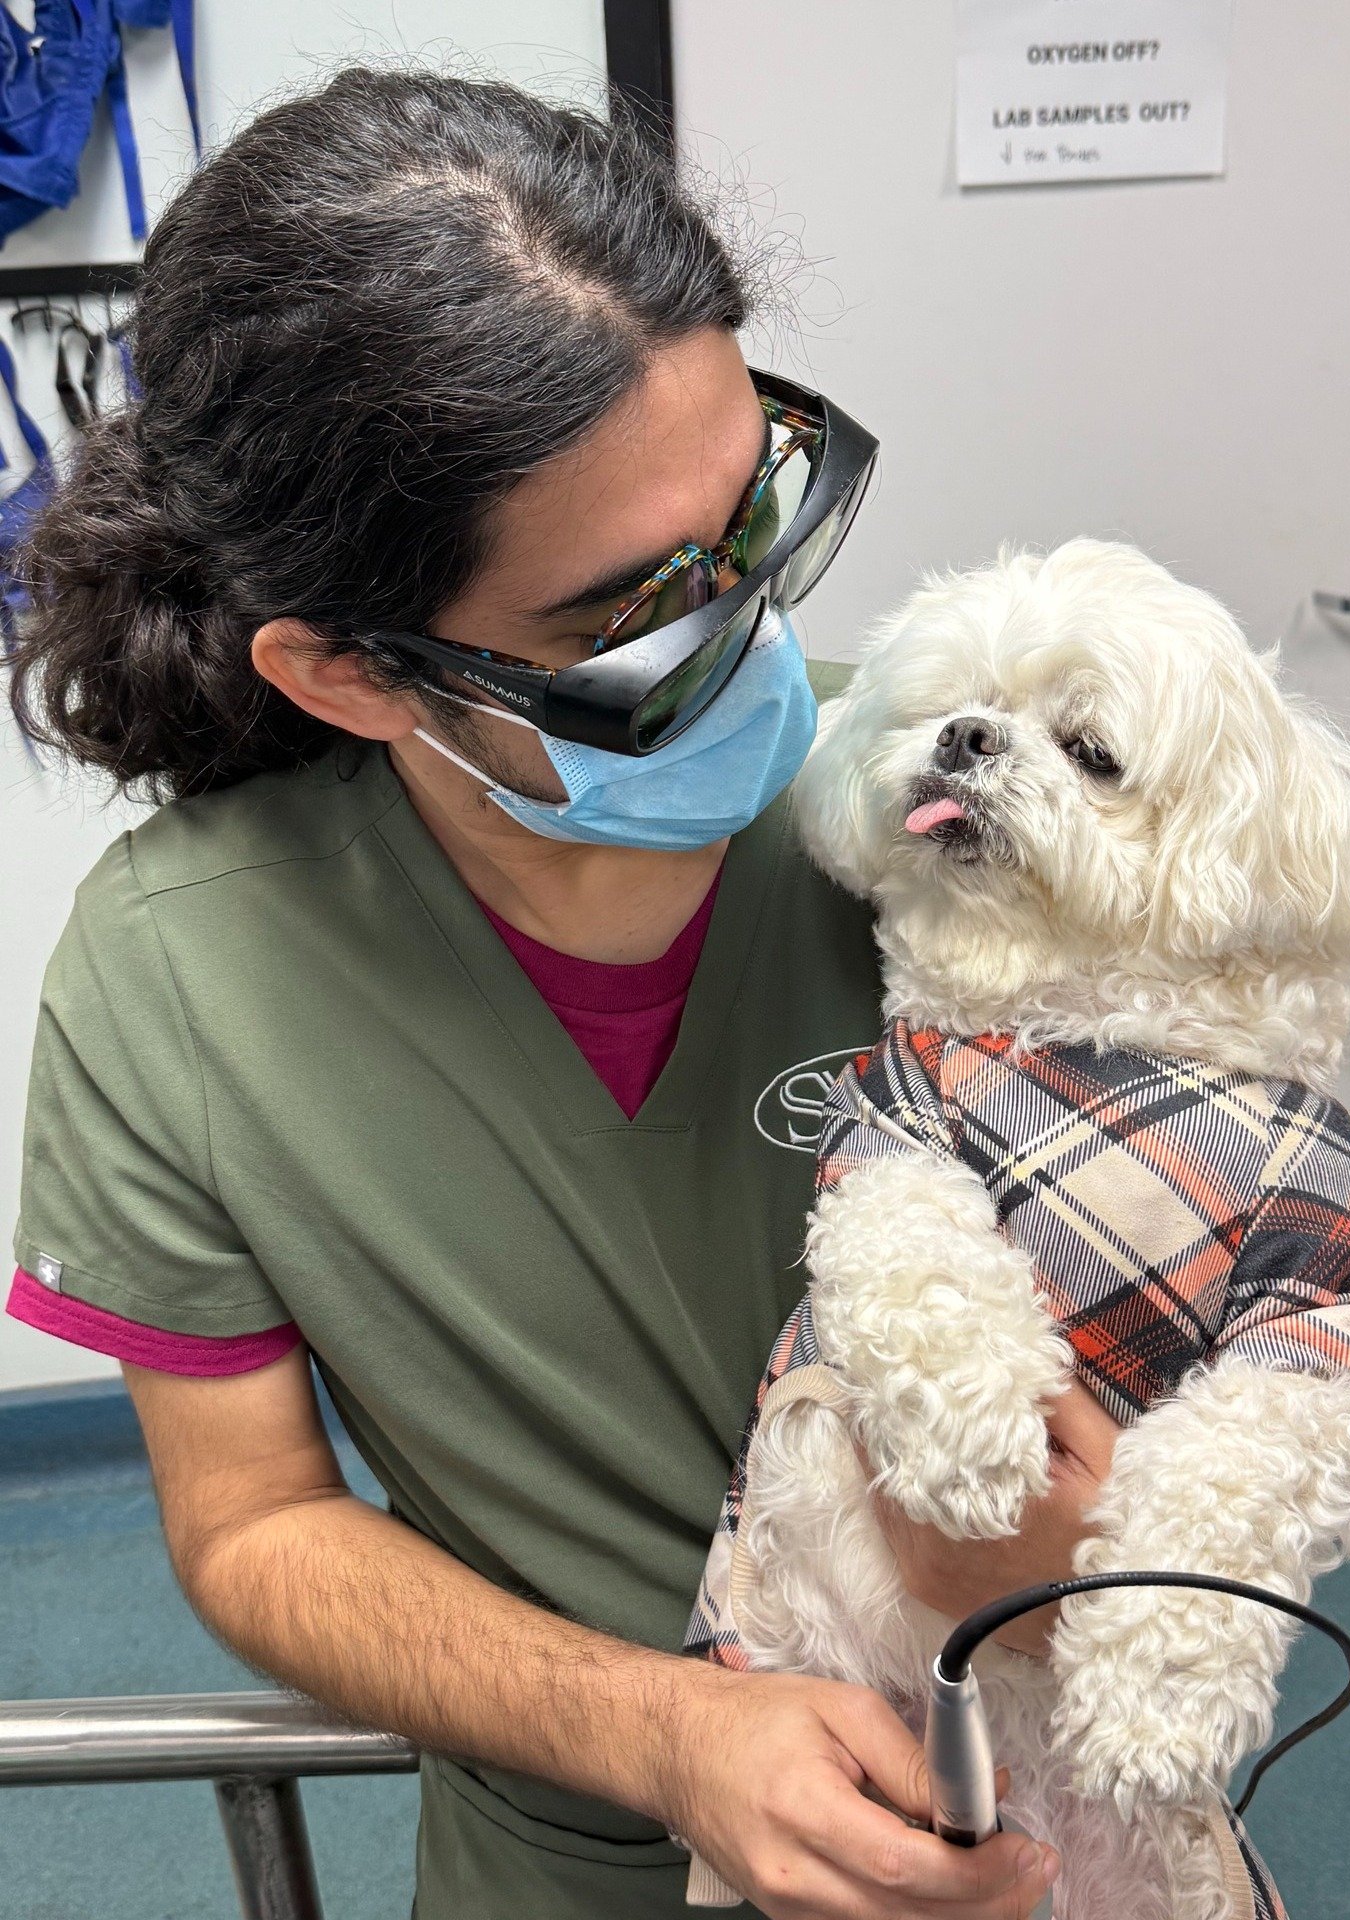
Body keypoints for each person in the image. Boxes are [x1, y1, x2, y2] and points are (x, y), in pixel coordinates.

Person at [4, 67, 1099, 1920]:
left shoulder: (949, 804)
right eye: (631, 618)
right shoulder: (180, 981)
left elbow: (1223, 1254)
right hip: (578, 1851)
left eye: (756, 508)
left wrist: (1115, 1527)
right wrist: (659, 1731)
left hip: (1045, 1794)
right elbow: (257, 1522)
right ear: (351, 678)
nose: (754, 634)